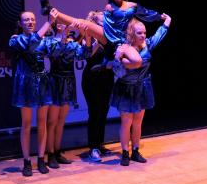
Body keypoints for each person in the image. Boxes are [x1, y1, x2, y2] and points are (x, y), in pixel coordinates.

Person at [45, 0, 162, 68]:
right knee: (80, 22)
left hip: (122, 42)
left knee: (137, 61)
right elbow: (104, 22)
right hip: (107, 35)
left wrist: (159, 16)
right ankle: (52, 11)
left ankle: (112, 63)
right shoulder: (109, 8)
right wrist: (91, 24)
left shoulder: (132, 5)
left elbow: (145, 13)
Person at [111, 14, 171, 166]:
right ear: (132, 33)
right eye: (139, 33)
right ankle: (125, 152)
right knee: (126, 121)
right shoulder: (124, 48)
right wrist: (119, 58)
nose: (143, 35)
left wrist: (167, 20)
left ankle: (135, 151)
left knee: (137, 122)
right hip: (126, 88)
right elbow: (116, 69)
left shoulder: (148, 45)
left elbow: (160, 33)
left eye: (144, 32)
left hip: (142, 87)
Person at [45, 10, 91, 168]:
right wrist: (60, 37)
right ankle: (50, 153)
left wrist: (85, 34)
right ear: (54, 25)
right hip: (55, 81)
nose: (61, 24)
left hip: (69, 82)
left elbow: (85, 54)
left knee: (61, 121)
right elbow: (53, 53)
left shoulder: (72, 45)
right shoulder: (50, 42)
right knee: (51, 122)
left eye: (63, 22)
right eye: (57, 22)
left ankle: (57, 152)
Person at [9, 11, 54, 176]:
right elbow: (30, 44)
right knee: (26, 124)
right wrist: (49, 23)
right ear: (20, 23)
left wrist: (66, 35)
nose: (30, 22)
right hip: (25, 84)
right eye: (26, 19)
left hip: (42, 83)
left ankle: (41, 159)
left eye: (33, 19)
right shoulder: (16, 39)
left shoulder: (44, 39)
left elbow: (56, 50)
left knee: (42, 123)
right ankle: (27, 161)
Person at [81, 10, 115, 162]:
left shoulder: (111, 38)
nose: (104, 24)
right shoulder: (88, 38)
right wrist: (97, 39)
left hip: (107, 78)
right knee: (94, 112)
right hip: (92, 79)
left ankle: (100, 144)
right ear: (94, 24)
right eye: (101, 22)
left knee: (103, 112)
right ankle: (93, 147)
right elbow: (88, 56)